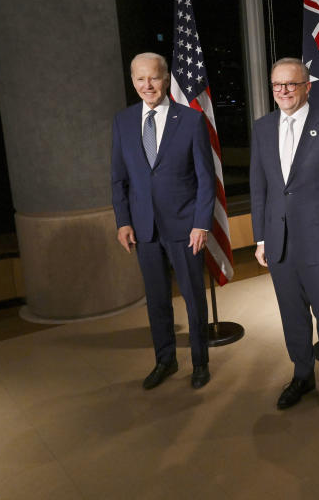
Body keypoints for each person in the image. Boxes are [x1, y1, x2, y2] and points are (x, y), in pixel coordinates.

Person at [250, 57, 319, 418]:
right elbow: (259, 188)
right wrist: (261, 238)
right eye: (277, 85)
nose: (283, 91)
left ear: (307, 87)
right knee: (292, 314)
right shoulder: (262, 128)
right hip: (278, 241)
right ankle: (301, 375)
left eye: (291, 84)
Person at [111, 52, 215, 390]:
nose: (147, 85)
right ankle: (165, 360)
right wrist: (123, 221)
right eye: (140, 79)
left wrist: (201, 224)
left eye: (153, 77)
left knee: (193, 298)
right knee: (156, 300)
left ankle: (200, 362)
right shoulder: (123, 122)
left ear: (166, 78)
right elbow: (118, 179)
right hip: (144, 230)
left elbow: (205, 179)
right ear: (132, 81)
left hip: (185, 228)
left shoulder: (191, 120)